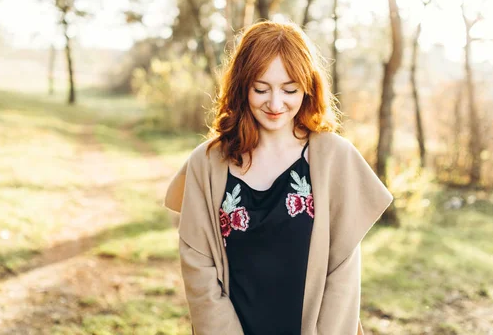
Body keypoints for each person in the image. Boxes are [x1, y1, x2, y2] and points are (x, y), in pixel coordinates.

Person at [164, 21, 393, 335]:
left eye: (289, 89)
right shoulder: (207, 163)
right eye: (261, 88)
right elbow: (199, 271)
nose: (275, 104)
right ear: (242, 86)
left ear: (307, 88)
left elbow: (343, 277)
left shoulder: (333, 158)